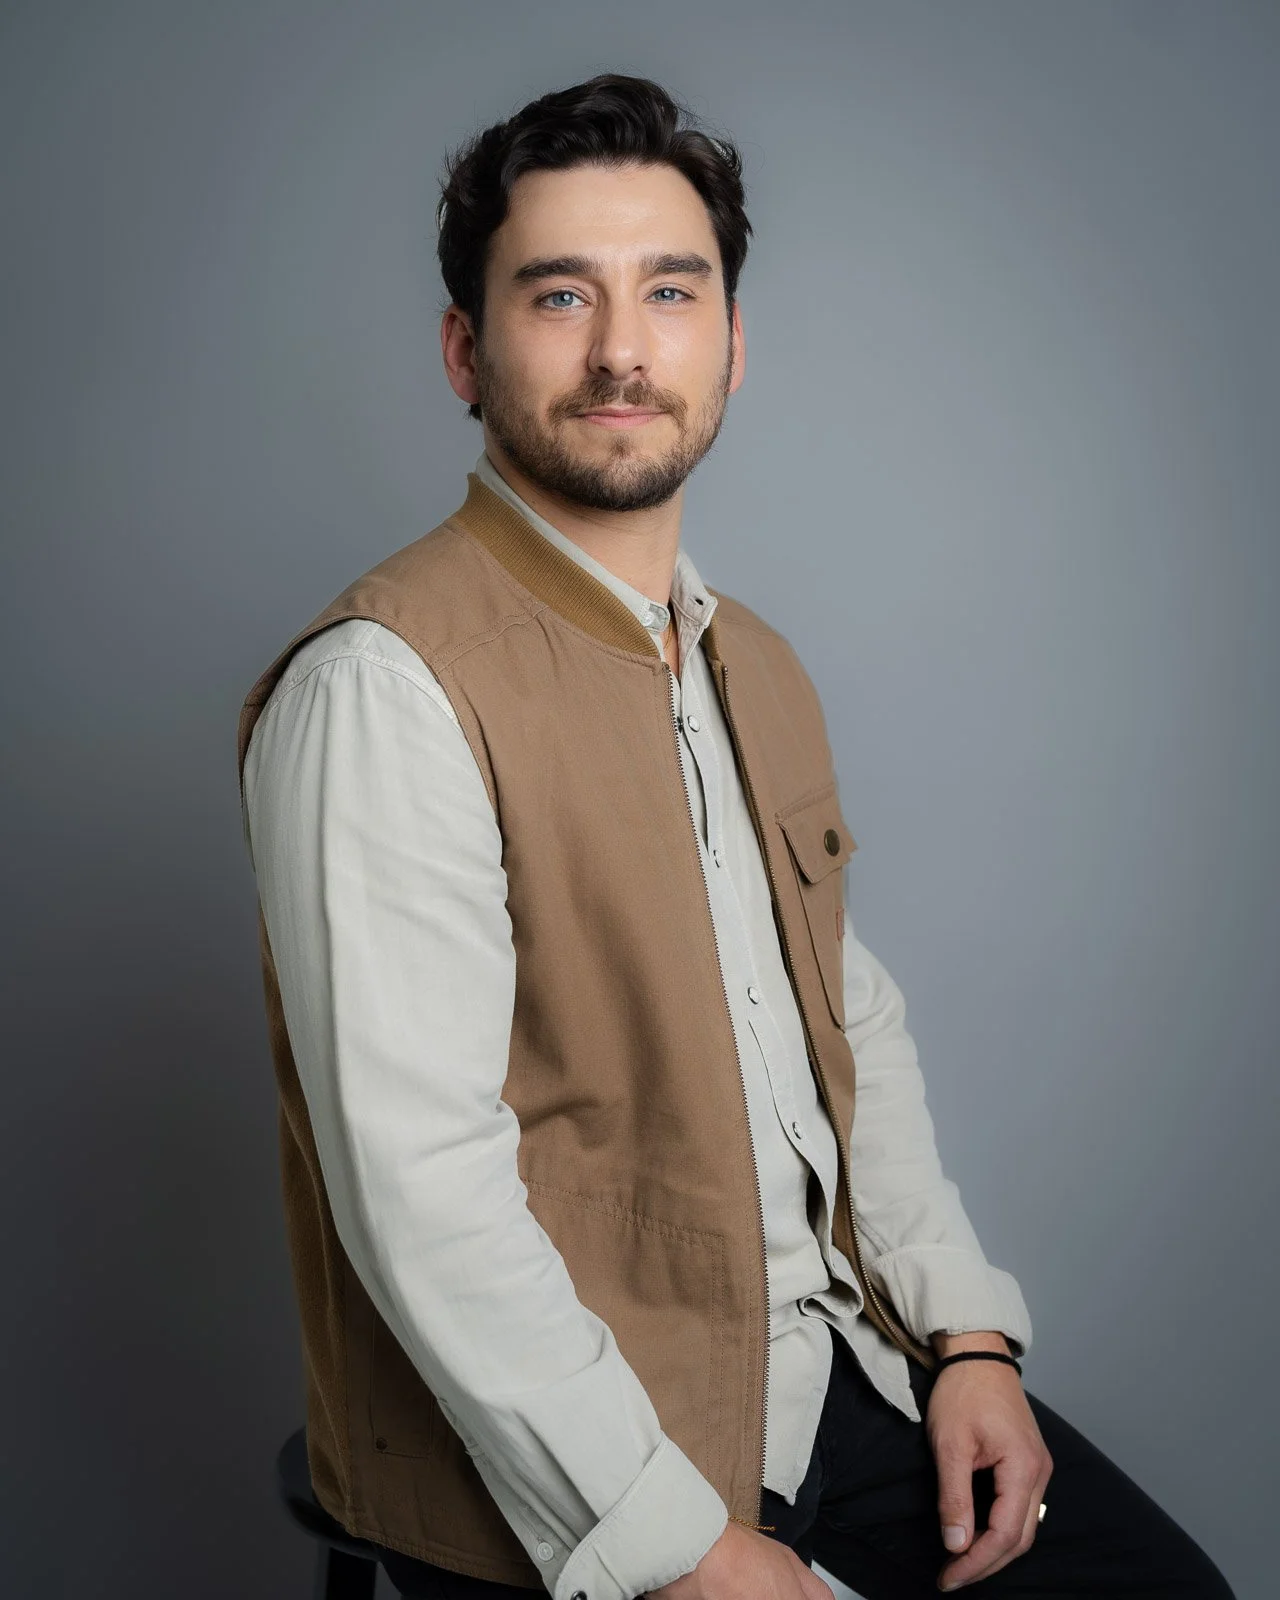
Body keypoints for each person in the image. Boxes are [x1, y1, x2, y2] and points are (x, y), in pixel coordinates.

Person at [237, 73, 1234, 1600]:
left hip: (829, 1380)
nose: (625, 351)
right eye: (560, 294)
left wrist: (963, 1335)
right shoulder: (386, 684)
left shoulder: (748, 660)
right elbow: (420, 1193)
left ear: (733, 344)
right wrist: (686, 1551)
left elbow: (850, 1019)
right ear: (465, 348)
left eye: (672, 292)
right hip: (589, 1469)